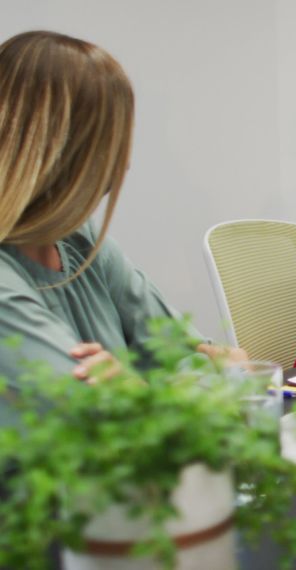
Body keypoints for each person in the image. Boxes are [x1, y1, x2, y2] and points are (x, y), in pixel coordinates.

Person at [0, 31, 242, 425]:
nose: (124, 162)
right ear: (62, 150)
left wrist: (139, 391)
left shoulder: (80, 239)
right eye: (111, 141)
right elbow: (106, 423)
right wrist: (166, 390)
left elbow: (196, 356)